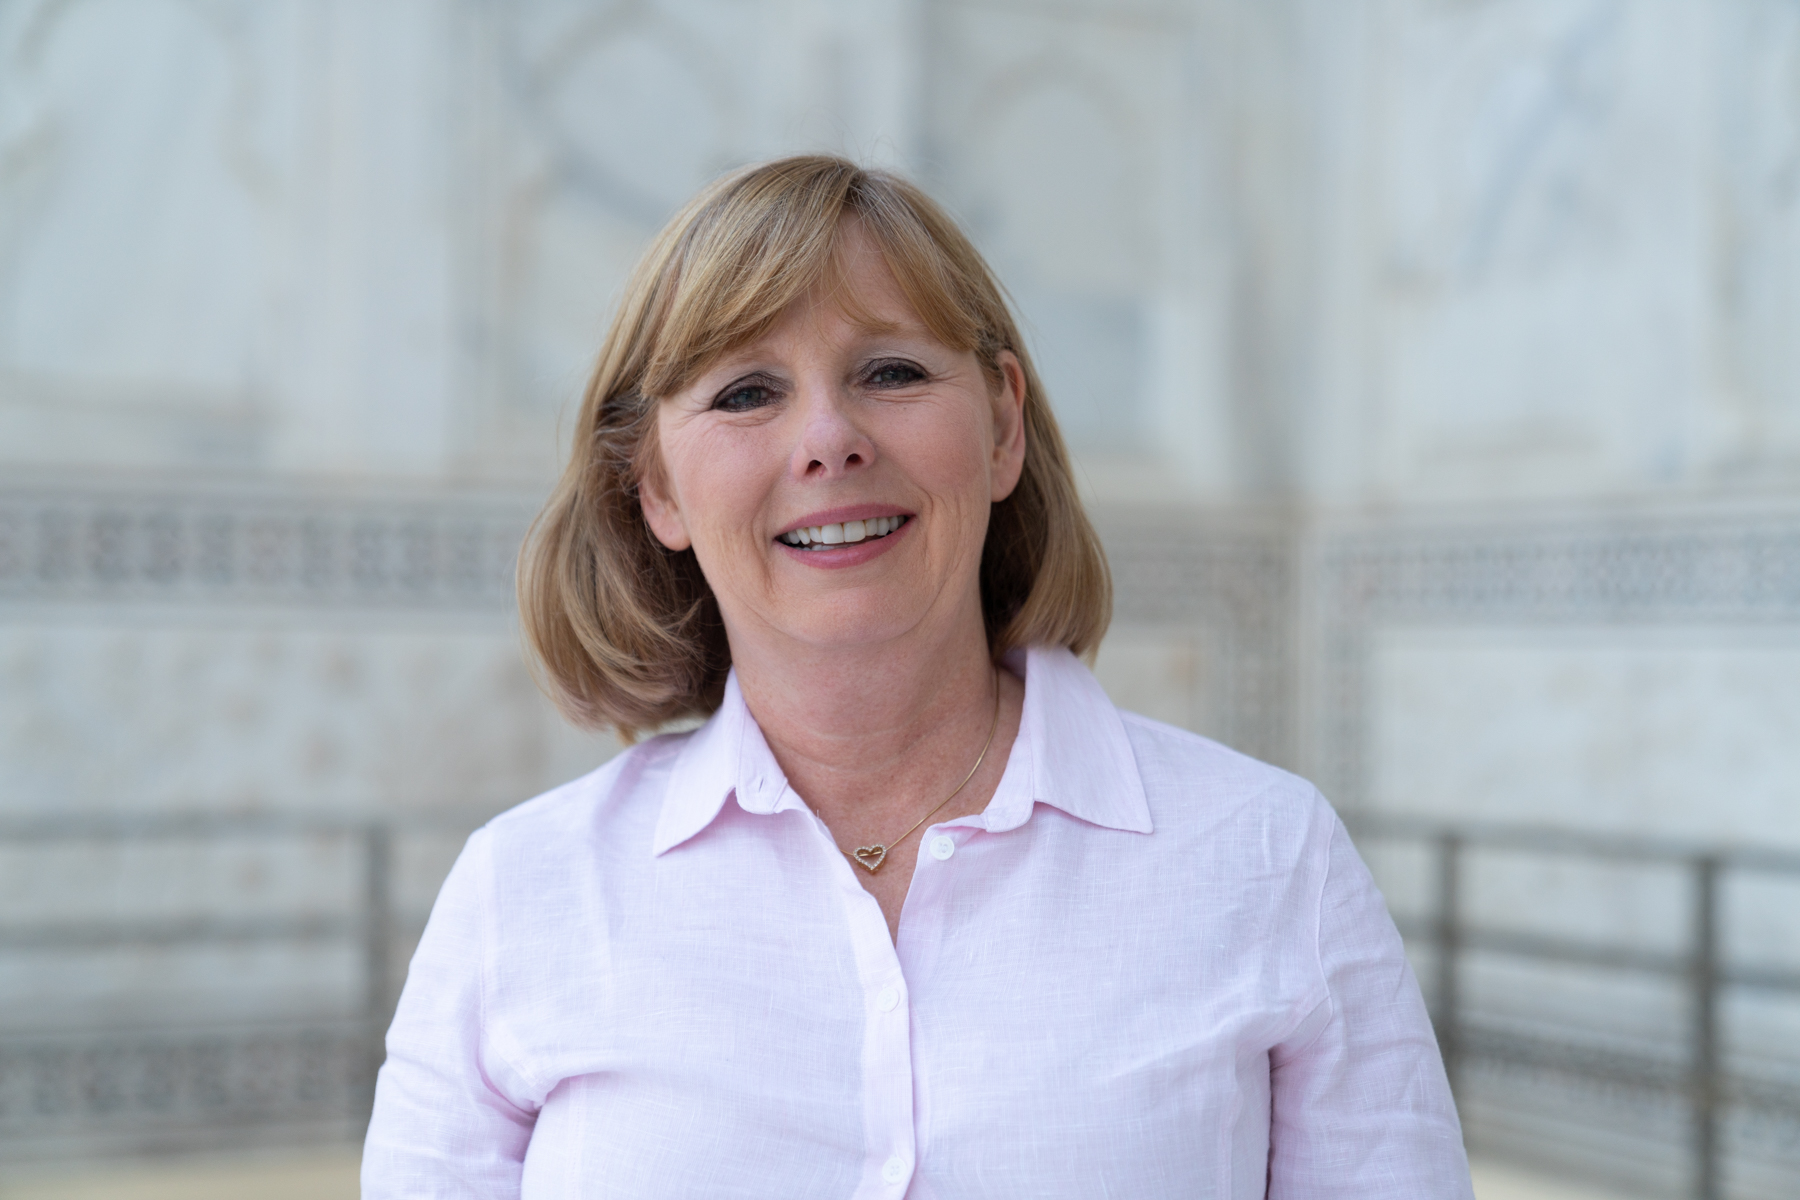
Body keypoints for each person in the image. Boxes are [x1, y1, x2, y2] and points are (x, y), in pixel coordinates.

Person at [362, 155, 1472, 1198]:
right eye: (746, 392)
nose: (829, 439)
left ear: (1001, 425)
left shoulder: (1270, 859)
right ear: (655, 489)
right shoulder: (521, 895)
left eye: (890, 371)